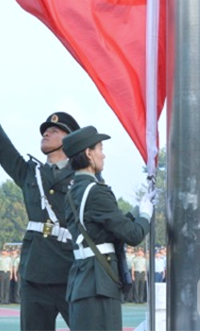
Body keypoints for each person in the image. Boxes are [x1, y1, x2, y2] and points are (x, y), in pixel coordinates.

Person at [0, 77, 79, 330]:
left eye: (55, 130)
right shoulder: (30, 173)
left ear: (70, 140)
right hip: (35, 272)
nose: (46, 133)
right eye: (45, 130)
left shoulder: (83, 177)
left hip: (72, 270)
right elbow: (3, 147)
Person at [62, 126, 152, 331]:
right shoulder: (96, 192)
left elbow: (102, 229)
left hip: (82, 281)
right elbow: (133, 235)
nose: (103, 155)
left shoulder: (74, 191)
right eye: (100, 148)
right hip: (99, 285)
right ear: (88, 153)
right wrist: (146, 215)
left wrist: (136, 211)